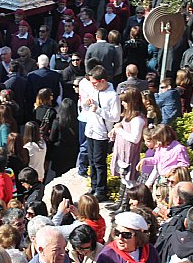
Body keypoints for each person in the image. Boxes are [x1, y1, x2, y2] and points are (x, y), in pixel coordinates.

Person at [92, 211, 162, 263]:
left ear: (138, 236)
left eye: (126, 235)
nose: (120, 238)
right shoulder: (108, 255)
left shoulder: (149, 250)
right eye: (117, 233)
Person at [83, 66, 120, 201]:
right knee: (92, 160)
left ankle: (101, 190)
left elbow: (115, 117)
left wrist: (98, 110)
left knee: (99, 162)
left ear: (102, 81)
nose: (92, 86)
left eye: (94, 83)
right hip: (91, 130)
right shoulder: (94, 90)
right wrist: (86, 104)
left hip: (101, 132)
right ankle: (93, 186)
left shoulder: (112, 95)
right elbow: (86, 108)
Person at [108, 88, 147, 211]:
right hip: (122, 152)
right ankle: (120, 202)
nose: (123, 104)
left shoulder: (138, 119)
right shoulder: (129, 116)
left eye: (125, 101)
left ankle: (125, 205)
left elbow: (135, 138)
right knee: (124, 178)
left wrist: (119, 130)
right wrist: (116, 129)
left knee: (130, 179)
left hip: (130, 153)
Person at [136, 124, 189, 190]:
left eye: (158, 140)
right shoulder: (160, 147)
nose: (157, 143)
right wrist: (145, 161)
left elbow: (184, 165)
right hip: (161, 178)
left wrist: (172, 171)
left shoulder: (179, 149)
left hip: (172, 180)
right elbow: (156, 159)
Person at [48, 98, 79, 177]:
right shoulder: (78, 122)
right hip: (72, 152)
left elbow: (52, 138)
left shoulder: (57, 122)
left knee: (58, 175)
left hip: (59, 153)